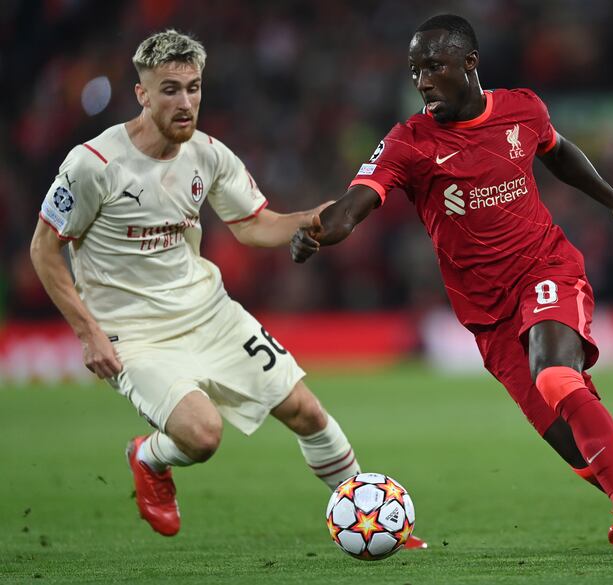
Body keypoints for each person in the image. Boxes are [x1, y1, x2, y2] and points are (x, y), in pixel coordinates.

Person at [291, 14, 613, 561]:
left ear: (469, 63)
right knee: (586, 458)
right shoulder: (410, 142)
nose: (423, 81)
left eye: (434, 66)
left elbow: (558, 153)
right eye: (415, 71)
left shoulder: (523, 108)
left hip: (546, 269)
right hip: (488, 316)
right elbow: (352, 209)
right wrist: (318, 233)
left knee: (555, 375)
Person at [28, 29, 426, 549]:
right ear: (142, 94)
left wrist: (310, 218)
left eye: (193, 87)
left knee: (306, 411)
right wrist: (88, 333)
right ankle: (147, 456)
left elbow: (254, 224)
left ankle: (372, 523)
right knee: (202, 435)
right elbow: (43, 249)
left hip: (209, 312)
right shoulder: (93, 166)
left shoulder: (208, 154)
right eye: (170, 89)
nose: (185, 101)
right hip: (133, 334)